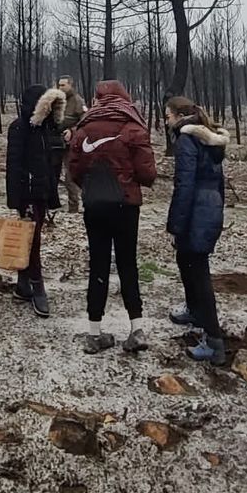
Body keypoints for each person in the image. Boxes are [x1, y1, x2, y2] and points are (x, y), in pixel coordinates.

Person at [66, 80, 157, 355]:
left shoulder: (84, 128)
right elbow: (148, 173)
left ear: (97, 99)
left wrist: (94, 188)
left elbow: (74, 169)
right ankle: (136, 329)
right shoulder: (133, 126)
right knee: (128, 263)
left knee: (98, 264)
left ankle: (94, 332)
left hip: (95, 206)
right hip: (126, 205)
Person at [164, 97, 229, 365]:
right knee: (186, 260)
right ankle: (194, 311)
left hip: (196, 211)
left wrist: (176, 225)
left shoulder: (186, 141)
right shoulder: (207, 139)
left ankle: (214, 341)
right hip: (209, 207)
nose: (166, 120)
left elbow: (185, 185)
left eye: (168, 115)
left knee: (198, 270)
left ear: (179, 116)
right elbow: (218, 182)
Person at [5, 84, 67, 318]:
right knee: (33, 241)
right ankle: (36, 284)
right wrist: (16, 200)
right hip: (27, 195)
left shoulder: (46, 130)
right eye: (47, 105)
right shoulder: (20, 128)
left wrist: (52, 196)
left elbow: (50, 166)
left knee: (30, 239)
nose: (51, 110)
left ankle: (23, 285)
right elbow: (13, 166)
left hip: (41, 193)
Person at [56, 75, 86, 214]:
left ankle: (73, 207)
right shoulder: (56, 100)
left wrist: (72, 131)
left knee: (70, 177)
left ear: (70, 85)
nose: (60, 87)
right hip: (55, 143)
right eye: (59, 85)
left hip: (70, 144)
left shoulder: (78, 101)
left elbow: (85, 121)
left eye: (63, 85)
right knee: (52, 174)